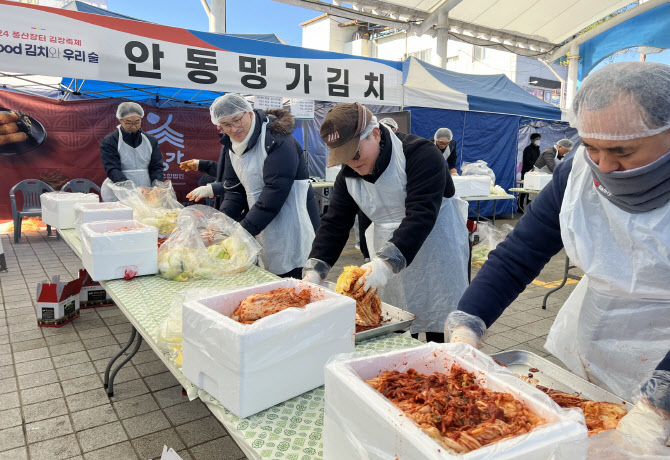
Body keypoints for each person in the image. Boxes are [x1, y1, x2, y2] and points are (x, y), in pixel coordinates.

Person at [445, 61, 670, 447]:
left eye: (623, 151)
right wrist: (468, 324)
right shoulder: (575, 173)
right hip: (598, 338)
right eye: (592, 148)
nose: (605, 167)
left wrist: (660, 400)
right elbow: (520, 254)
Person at [303, 103, 469, 343]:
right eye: (344, 158)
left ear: (376, 133)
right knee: (397, 325)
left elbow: (421, 215)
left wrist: (383, 266)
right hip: (388, 251)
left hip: (436, 248)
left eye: (356, 153)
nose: (352, 163)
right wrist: (314, 271)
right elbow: (335, 224)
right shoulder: (349, 175)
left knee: (439, 324)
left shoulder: (421, 154)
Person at [207, 94, 319, 278]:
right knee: (270, 279)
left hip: (292, 225)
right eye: (226, 125)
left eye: (236, 120)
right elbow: (235, 192)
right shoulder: (232, 147)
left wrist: (242, 232)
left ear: (249, 113)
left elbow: (274, 194)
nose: (234, 128)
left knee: (293, 281)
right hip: (261, 223)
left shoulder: (278, 141)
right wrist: (223, 222)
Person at [100, 102, 164, 202]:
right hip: (120, 190)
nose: (133, 126)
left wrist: (156, 186)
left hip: (146, 190)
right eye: (128, 123)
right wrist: (131, 189)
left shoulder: (151, 141)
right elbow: (112, 169)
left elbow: (156, 166)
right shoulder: (110, 141)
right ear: (120, 120)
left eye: (137, 122)